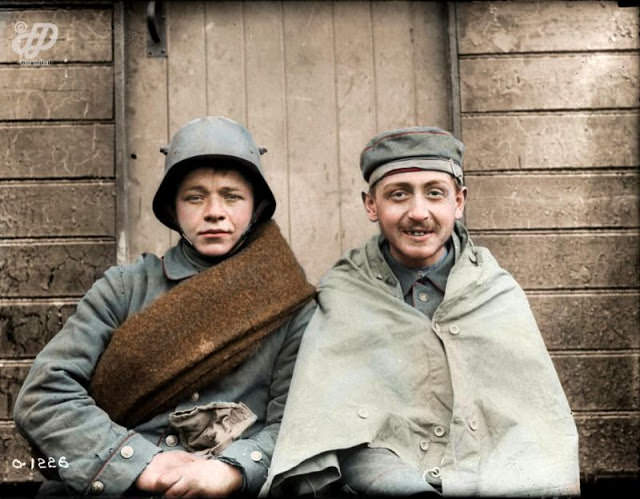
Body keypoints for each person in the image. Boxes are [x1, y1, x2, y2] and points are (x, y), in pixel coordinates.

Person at [262, 127, 580, 497]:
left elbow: (533, 429)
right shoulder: (345, 294)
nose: (418, 212)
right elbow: (331, 432)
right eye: (398, 195)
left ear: (458, 202)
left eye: (435, 193)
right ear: (371, 205)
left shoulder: (495, 292)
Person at [13, 116, 316, 497]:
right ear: (173, 209)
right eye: (195, 196)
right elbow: (45, 395)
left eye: (232, 196)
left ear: (255, 207)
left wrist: (234, 470)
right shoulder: (124, 289)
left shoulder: (291, 304)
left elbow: (296, 422)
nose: (214, 212)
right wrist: (138, 462)